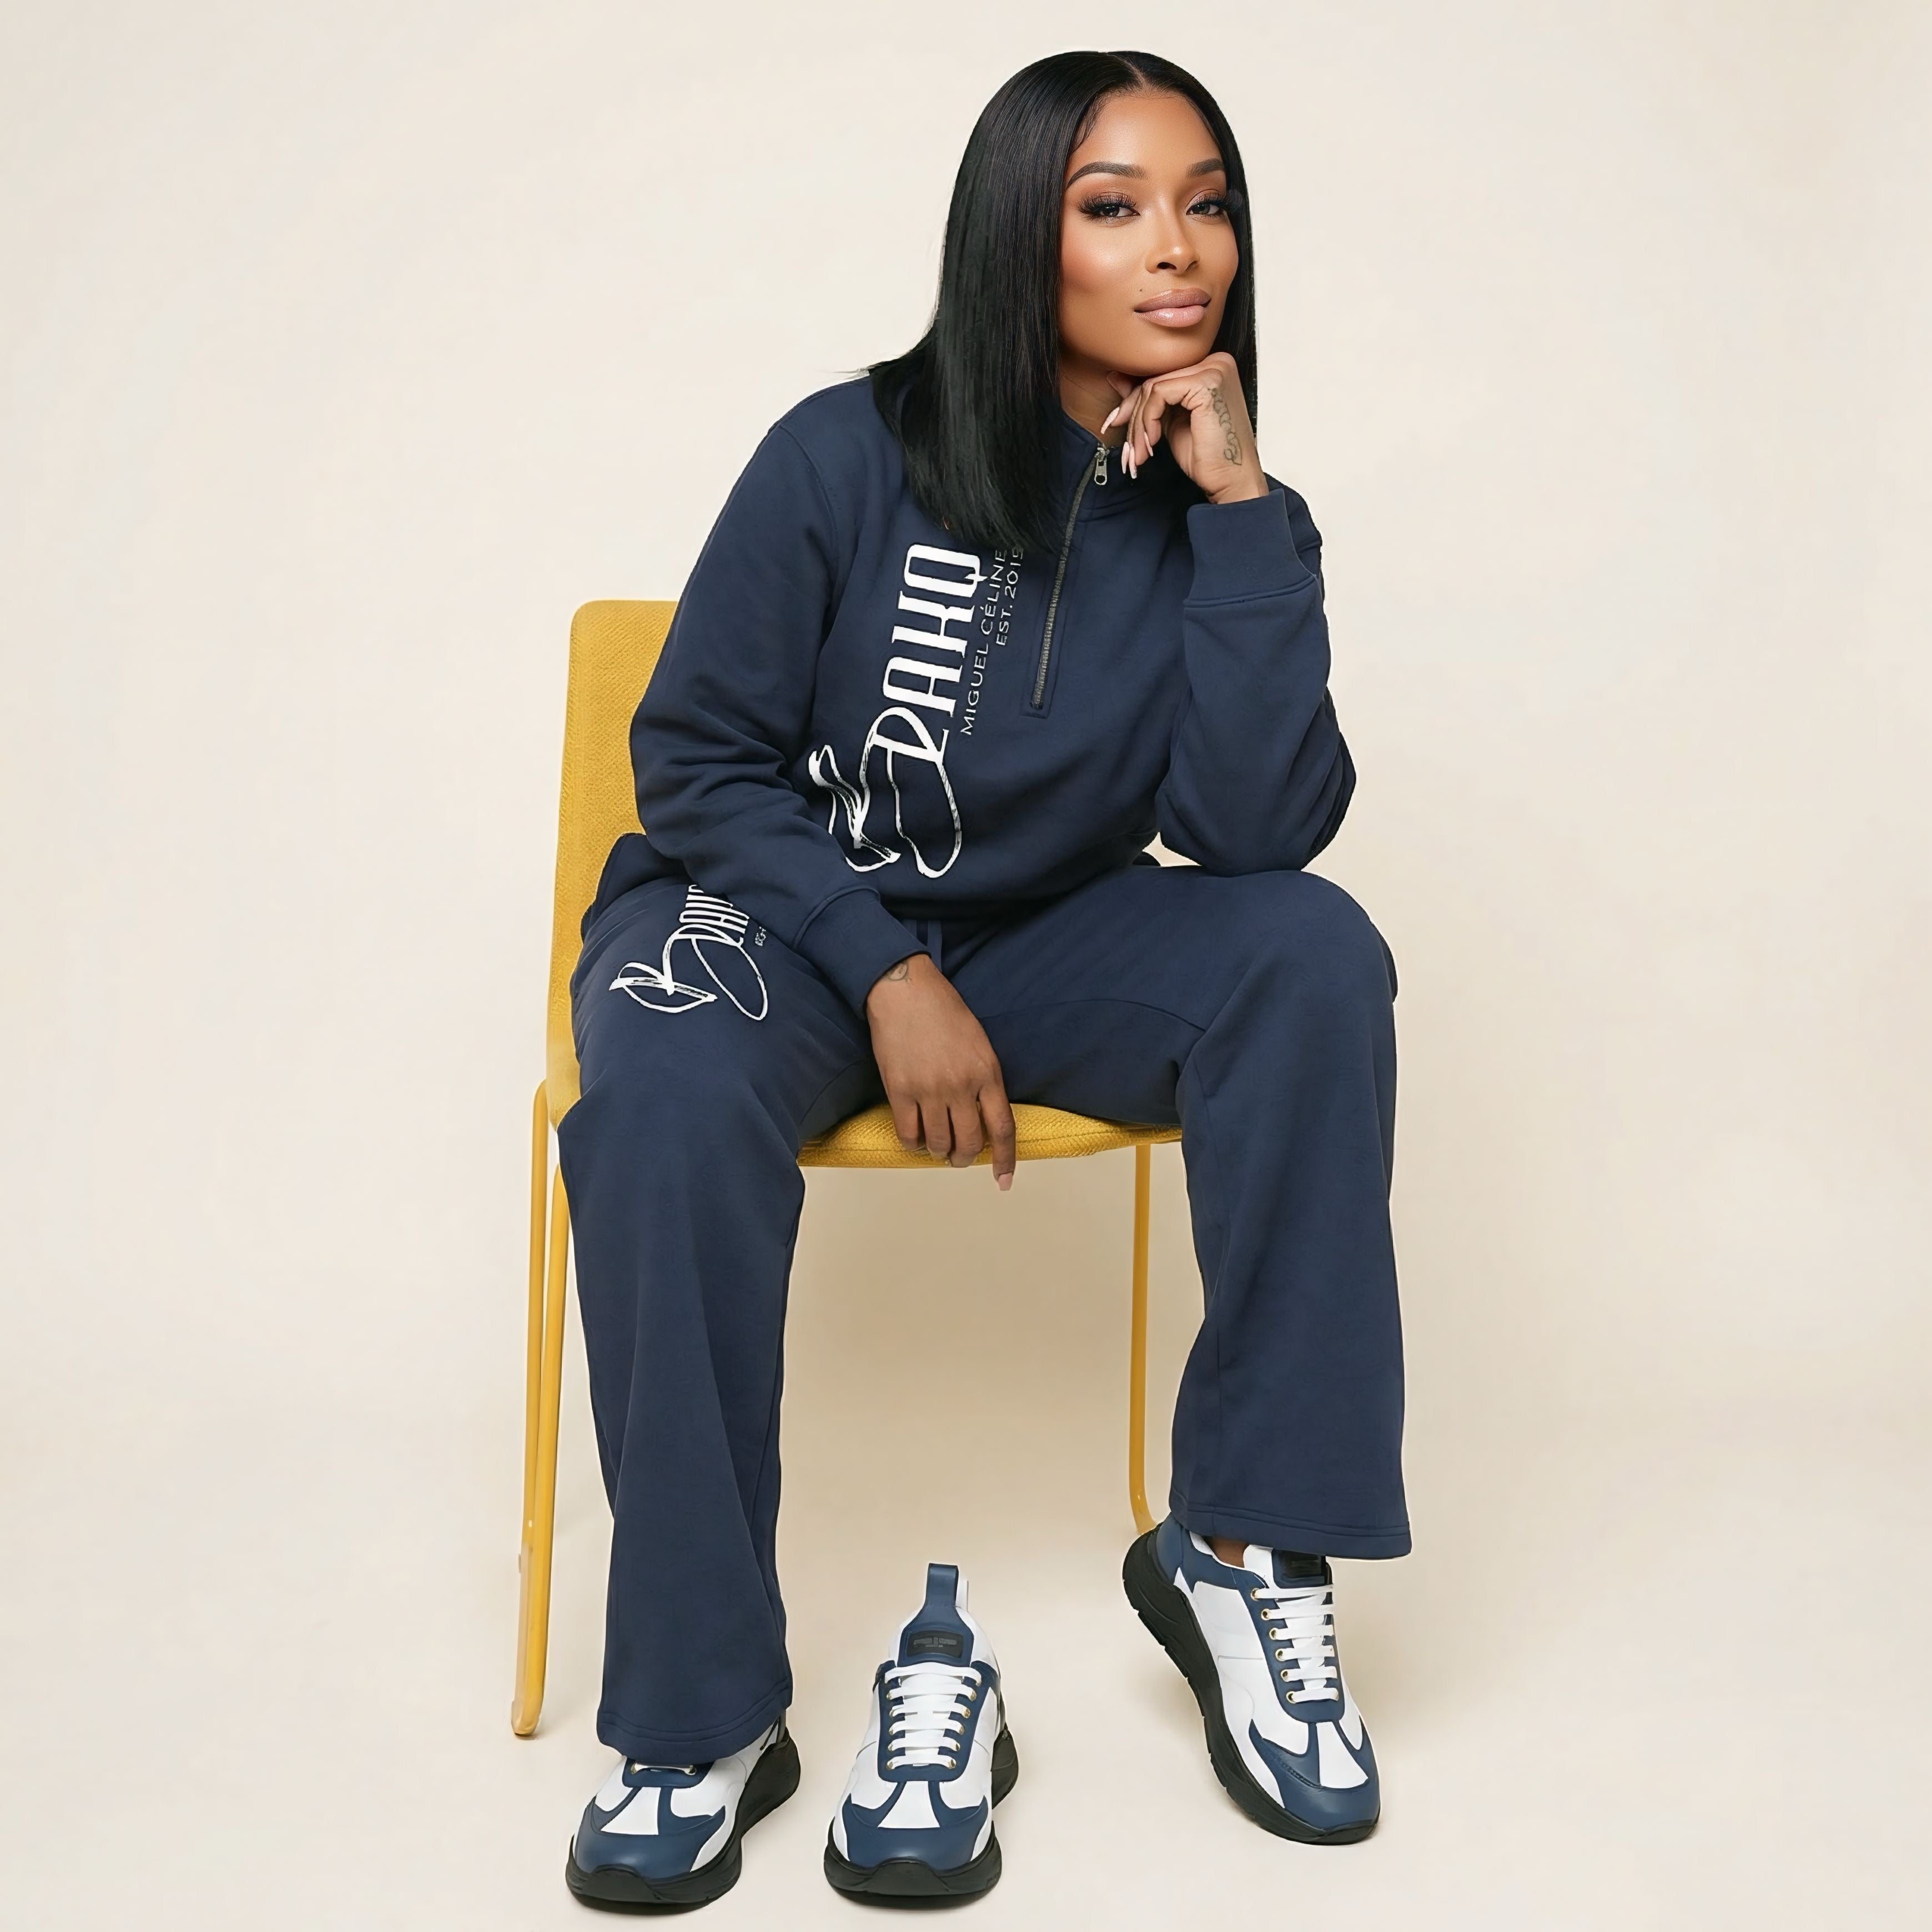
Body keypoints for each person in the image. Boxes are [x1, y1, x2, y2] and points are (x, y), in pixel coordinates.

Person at [556, 49, 1407, 1911]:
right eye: (1115, 206)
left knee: (1313, 958)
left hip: (1045, 940)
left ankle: (1245, 1550)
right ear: (1021, 234)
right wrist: (879, 967)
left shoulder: (1223, 513)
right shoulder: (841, 452)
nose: (1178, 249)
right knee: (666, 1098)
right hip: (772, 925)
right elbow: (693, 758)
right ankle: (698, 1712)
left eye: (1207, 203)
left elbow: (1255, 836)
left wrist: (1242, 512)